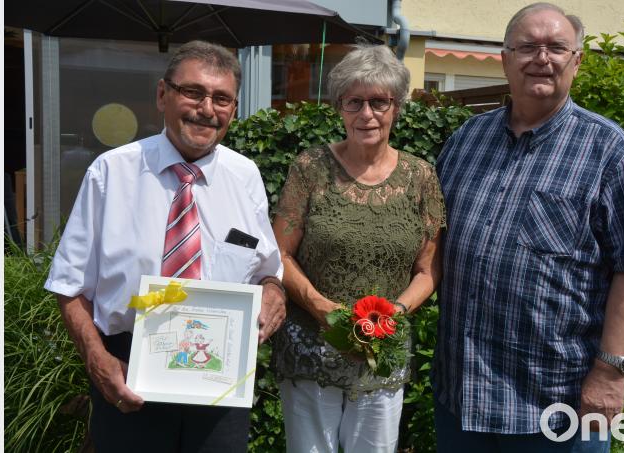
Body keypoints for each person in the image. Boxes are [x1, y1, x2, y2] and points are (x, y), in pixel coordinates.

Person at [433, 3, 624, 452]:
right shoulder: (467, 140)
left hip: (556, 405)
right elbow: (431, 240)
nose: (541, 58)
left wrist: (610, 374)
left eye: (557, 48)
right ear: (505, 59)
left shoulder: (610, 151)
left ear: (576, 61)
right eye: (527, 47)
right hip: (460, 394)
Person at [44, 40, 286, 452]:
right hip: (127, 371)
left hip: (219, 375)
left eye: (221, 99)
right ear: (162, 94)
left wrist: (274, 292)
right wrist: (97, 359)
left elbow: (267, 270)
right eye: (193, 92)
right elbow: (69, 285)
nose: (207, 109)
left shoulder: (245, 175)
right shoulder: (111, 172)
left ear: (233, 108)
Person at [269, 43, 445, 453]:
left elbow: (429, 270)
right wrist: (321, 308)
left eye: (379, 102)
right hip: (312, 346)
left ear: (396, 107)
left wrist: (394, 314)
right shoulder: (310, 168)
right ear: (339, 108)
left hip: (381, 353)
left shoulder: (421, 176)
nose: (367, 114)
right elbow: (280, 253)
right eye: (354, 102)